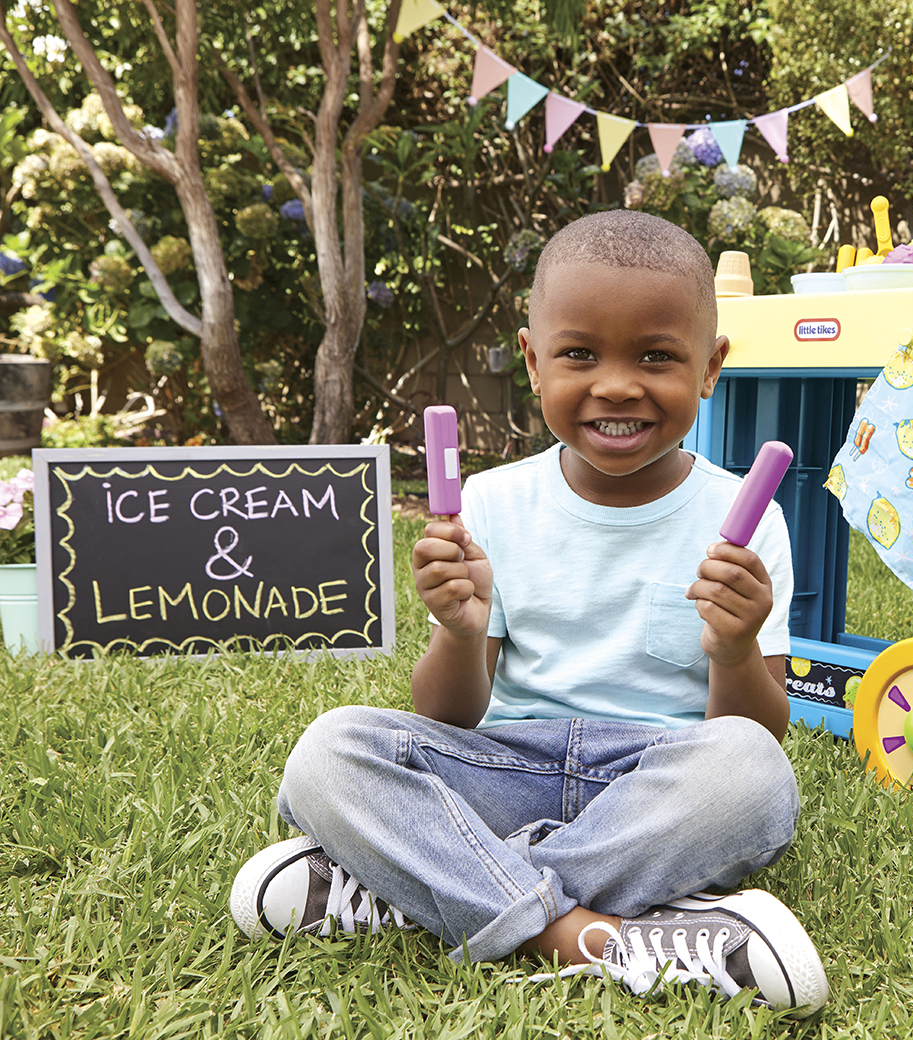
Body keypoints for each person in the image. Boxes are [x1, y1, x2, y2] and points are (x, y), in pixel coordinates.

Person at [230, 210, 829, 1014]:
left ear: (711, 366)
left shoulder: (748, 522)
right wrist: (461, 630)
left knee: (753, 779)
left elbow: (759, 732)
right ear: (533, 360)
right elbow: (445, 713)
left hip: (656, 778)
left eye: (656, 356)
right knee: (328, 751)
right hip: (503, 766)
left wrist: (733, 649)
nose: (616, 384)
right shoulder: (491, 501)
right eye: (580, 354)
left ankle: (423, 892)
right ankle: (604, 937)